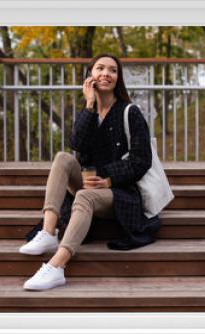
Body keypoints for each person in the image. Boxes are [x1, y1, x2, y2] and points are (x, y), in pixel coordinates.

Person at [19, 53, 160, 291]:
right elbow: (77, 145)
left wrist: (108, 179)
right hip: (89, 183)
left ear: (118, 77)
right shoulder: (89, 111)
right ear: (90, 76)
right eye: (100, 68)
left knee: (83, 196)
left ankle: (56, 266)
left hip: (121, 192)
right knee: (63, 158)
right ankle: (48, 230)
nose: (106, 74)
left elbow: (141, 160)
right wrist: (89, 105)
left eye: (113, 70)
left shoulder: (130, 112)